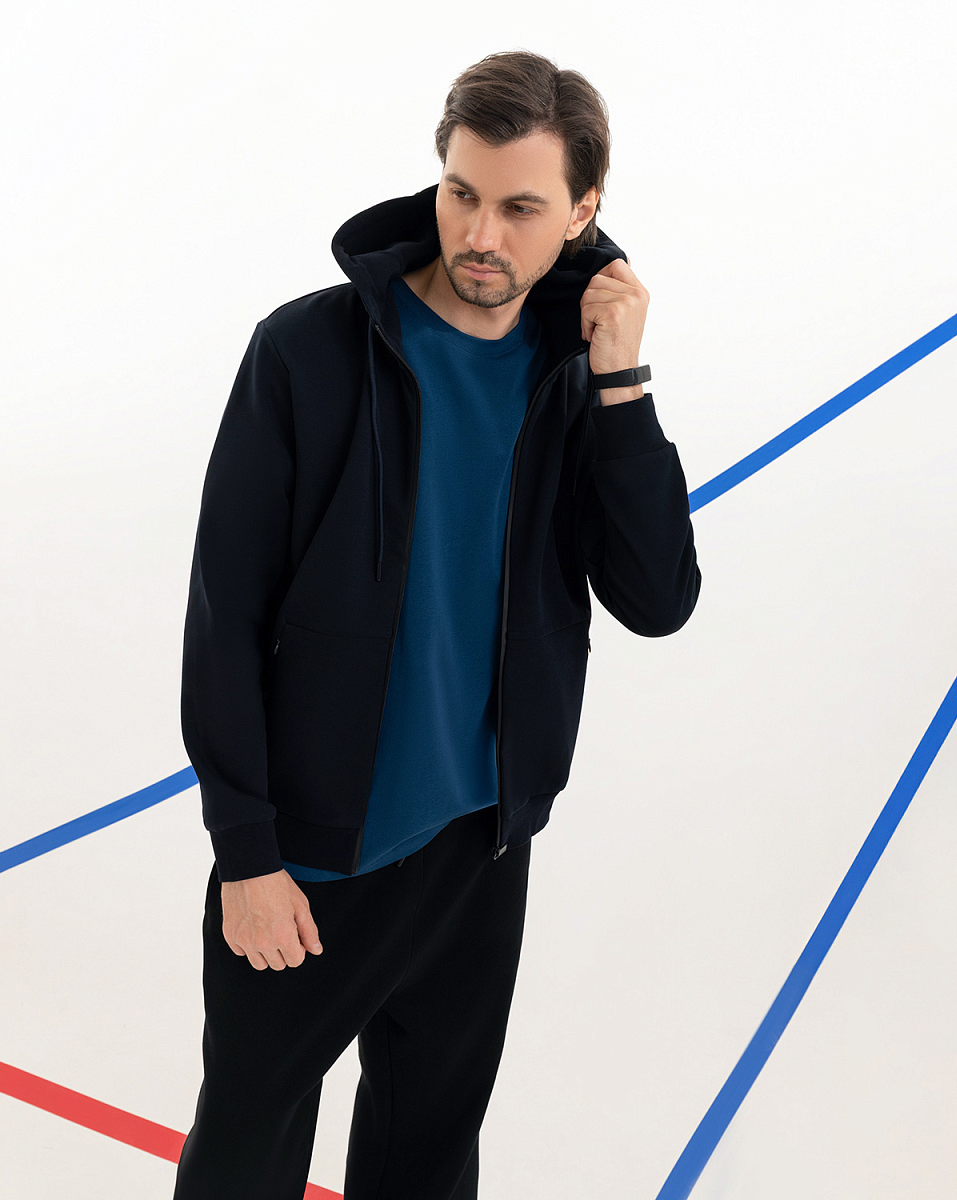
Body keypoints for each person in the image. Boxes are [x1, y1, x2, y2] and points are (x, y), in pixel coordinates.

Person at [172, 48, 701, 1200]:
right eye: (463, 193)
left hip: (480, 847)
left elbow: (658, 599)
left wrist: (622, 385)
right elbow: (224, 616)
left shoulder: (572, 376)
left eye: (521, 209)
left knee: (427, 1161)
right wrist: (247, 852)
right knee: (246, 1153)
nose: (481, 235)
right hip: (313, 853)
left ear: (584, 212)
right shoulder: (306, 353)